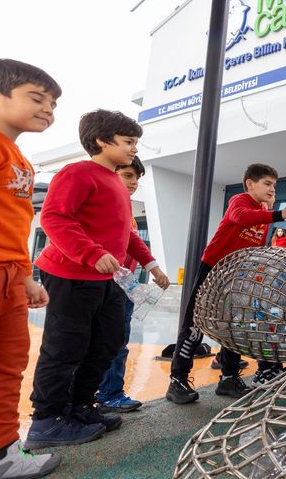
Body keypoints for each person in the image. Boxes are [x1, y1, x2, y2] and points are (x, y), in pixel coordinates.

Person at [26, 110, 162, 451]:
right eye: (129, 142)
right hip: (71, 274)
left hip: (108, 280)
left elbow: (128, 235)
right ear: (102, 141)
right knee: (65, 348)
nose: (134, 148)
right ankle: (47, 420)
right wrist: (90, 252)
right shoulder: (77, 173)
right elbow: (55, 217)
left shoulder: (117, 183)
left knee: (107, 341)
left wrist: (152, 264)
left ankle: (81, 407)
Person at [166, 164, 286, 404]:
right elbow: (240, 218)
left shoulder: (263, 212)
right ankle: (177, 380)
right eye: (267, 184)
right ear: (250, 184)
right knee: (195, 325)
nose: (272, 190)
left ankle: (228, 378)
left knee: (234, 327)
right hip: (213, 269)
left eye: (274, 185)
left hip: (237, 277)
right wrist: (279, 214)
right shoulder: (240, 201)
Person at [0, 58, 62, 477]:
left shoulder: (19, 155)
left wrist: (26, 277)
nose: (48, 110)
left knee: (8, 364)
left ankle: (1, 455)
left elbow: (13, 223)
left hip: (9, 277)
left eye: (53, 104)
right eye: (36, 98)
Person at [96, 156, 170, 413]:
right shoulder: (100, 200)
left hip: (121, 285)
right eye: (127, 175)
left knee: (117, 342)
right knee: (90, 343)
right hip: (97, 283)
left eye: (136, 177)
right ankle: (83, 398)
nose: (134, 182)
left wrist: (153, 267)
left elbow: (131, 241)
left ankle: (109, 393)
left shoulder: (125, 208)